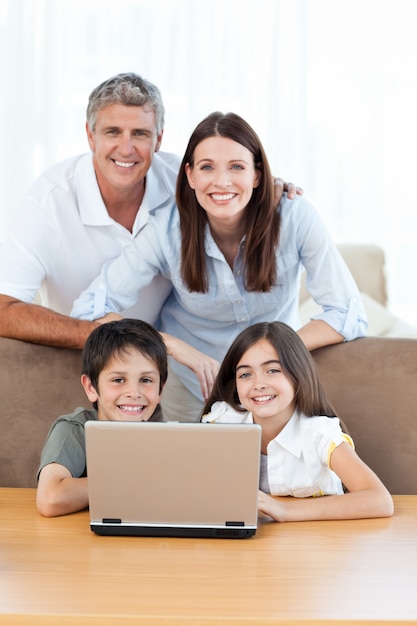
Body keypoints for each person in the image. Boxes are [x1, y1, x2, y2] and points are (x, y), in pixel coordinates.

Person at [71, 111, 368, 422]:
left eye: (237, 167)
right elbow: (90, 307)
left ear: (257, 174)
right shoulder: (167, 229)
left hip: (270, 383)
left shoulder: (294, 217)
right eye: (207, 167)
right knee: (195, 470)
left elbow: (347, 313)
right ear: (190, 175)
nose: (222, 181)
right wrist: (173, 346)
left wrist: (273, 352)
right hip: (192, 386)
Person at [0, 72, 297, 350]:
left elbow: (231, 185)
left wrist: (267, 191)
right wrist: (101, 335)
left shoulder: (184, 182)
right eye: (113, 132)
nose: (126, 148)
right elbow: (4, 309)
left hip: (172, 361)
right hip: (83, 351)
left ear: (159, 139)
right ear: (91, 136)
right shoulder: (46, 204)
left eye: (140, 133)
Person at [201, 321, 394, 522]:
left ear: (298, 374)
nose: (259, 384)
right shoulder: (221, 422)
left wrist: (285, 511)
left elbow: (379, 500)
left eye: (273, 370)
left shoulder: (320, 435)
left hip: (316, 543)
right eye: (245, 374)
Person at [36, 318, 167, 518]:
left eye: (146, 380)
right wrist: (131, 481)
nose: (134, 392)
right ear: (91, 387)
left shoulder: (167, 435)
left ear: (160, 389)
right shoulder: (75, 429)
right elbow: (51, 498)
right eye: (118, 380)